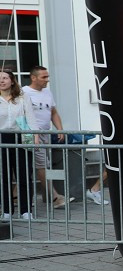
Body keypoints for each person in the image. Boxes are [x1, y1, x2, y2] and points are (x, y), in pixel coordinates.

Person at [23, 66, 69, 209]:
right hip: (31, 135)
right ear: (33, 77)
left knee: (34, 165)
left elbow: (53, 112)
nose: (47, 80)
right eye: (44, 77)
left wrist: (59, 128)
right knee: (42, 165)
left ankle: (16, 195)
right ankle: (55, 197)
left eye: (47, 77)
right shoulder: (24, 92)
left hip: (46, 134)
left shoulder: (47, 92)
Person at [0, 70, 34, 221]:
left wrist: (35, 136)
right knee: (4, 176)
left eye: (5, 78)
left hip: (21, 136)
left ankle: (26, 210)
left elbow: (31, 117)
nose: (2, 81)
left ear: (12, 81)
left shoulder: (22, 97)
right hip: (2, 137)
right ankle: (7, 210)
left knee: (24, 175)